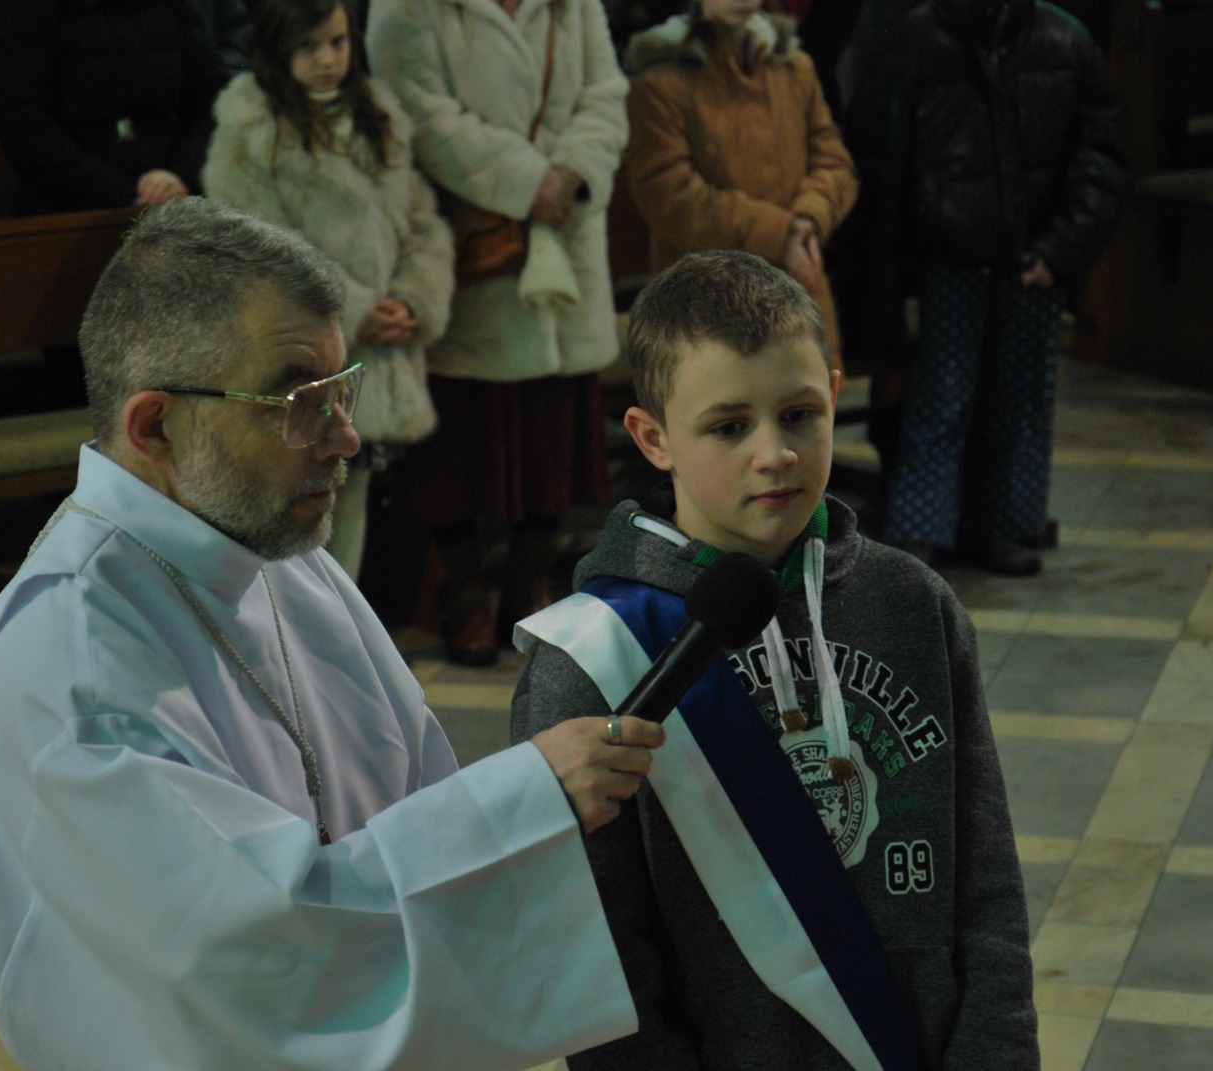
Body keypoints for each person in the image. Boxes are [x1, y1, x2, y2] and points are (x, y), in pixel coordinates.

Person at [0, 197, 666, 1070]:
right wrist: (526, 799)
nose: (346, 436)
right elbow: (256, 960)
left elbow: (410, 791)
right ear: (155, 425)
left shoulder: (272, 551)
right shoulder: (72, 676)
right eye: (298, 401)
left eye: (341, 390)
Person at [511, 250, 1037, 1070]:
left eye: (799, 413)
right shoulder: (594, 657)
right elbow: (595, 958)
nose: (776, 452)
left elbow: (988, 886)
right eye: (729, 426)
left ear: (834, 392)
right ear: (653, 437)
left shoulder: (916, 604)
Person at [367, 0, 629, 666]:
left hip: (562, 237)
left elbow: (605, 91)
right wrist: (526, 181)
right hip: (469, 237)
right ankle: (463, 594)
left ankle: (527, 584)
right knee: (458, 436)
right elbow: (418, 109)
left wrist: (568, 176)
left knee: (550, 429)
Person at [844, 0, 1127, 575]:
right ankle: (921, 533)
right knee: (940, 398)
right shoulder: (917, 41)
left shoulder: (1064, 40)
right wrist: (898, 265)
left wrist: (1060, 250)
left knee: (1023, 403)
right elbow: (880, 159)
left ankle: (1006, 527)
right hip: (945, 260)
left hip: (1034, 258)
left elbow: (1101, 160)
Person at [202, 0, 452, 578]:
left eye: (338, 42)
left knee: (351, 492)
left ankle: (345, 620)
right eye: (309, 46)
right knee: (295, 499)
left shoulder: (376, 114)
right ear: (278, 49)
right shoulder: (253, 126)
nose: (327, 60)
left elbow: (420, 222)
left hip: (377, 350)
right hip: (301, 351)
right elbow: (260, 244)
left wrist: (412, 299)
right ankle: (294, 621)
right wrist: (353, 310)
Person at [622, 0, 857, 369]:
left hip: (799, 288)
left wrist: (808, 219)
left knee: (804, 395)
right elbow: (670, 195)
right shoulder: (662, 81)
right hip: (706, 305)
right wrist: (780, 236)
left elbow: (835, 164)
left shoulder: (793, 67)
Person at [0, 0, 224, 214]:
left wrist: (180, 175)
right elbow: (22, 121)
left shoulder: (170, 6)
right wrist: (122, 194)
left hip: (176, 202)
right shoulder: (24, 9)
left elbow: (211, 101)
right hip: (70, 210)